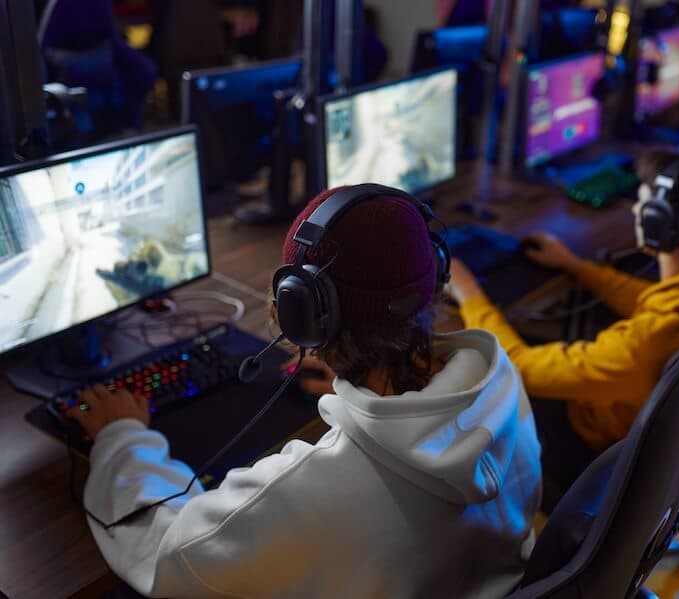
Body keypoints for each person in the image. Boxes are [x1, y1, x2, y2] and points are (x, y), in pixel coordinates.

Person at [66, 185, 542, 598]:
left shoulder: (313, 488)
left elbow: (167, 554)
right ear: (435, 277)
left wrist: (122, 436)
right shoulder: (499, 379)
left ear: (301, 314)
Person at [448, 150, 679, 491]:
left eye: (641, 204)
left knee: (479, 378)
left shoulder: (644, 345)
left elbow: (519, 366)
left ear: (659, 223)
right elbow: (650, 300)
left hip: (587, 449)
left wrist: (468, 292)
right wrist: (575, 266)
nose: (636, 211)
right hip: (640, 431)